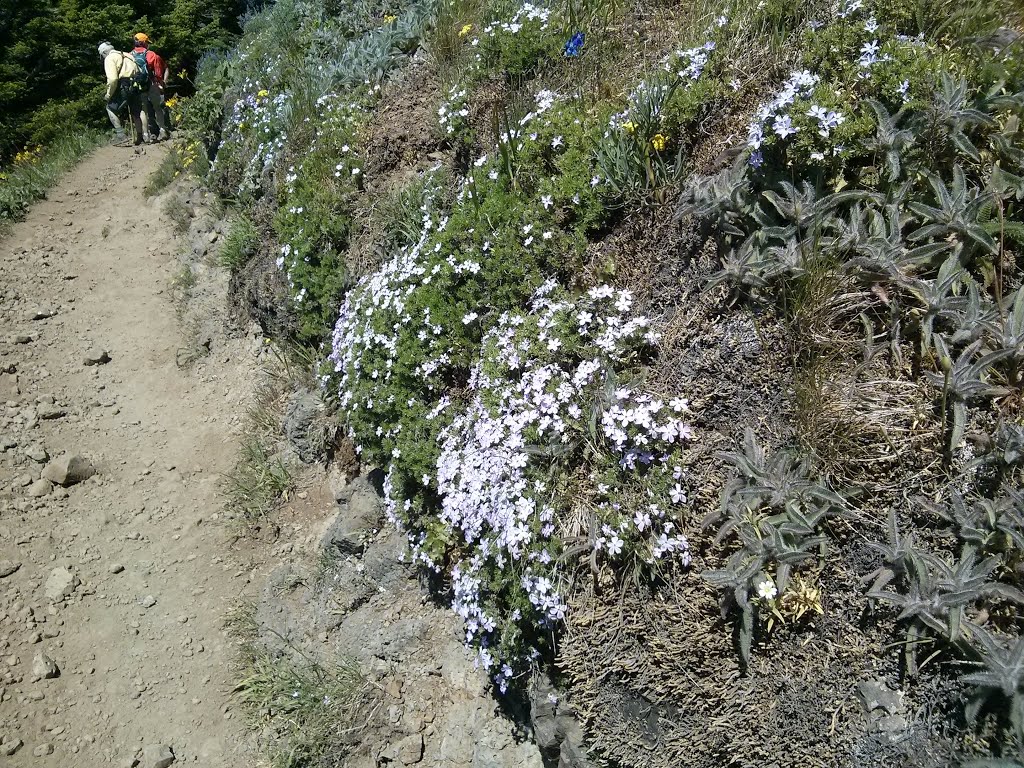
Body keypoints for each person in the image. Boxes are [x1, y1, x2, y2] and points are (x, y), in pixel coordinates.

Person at [98, 42, 151, 145]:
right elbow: (139, 70)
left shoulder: (110, 58)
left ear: (104, 52)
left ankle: (120, 135)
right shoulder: (127, 55)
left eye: (102, 56)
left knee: (110, 108)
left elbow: (113, 79)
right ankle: (142, 136)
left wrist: (109, 94)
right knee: (137, 111)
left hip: (124, 85)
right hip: (136, 85)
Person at [131, 33, 171, 141]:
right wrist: (161, 85)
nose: (148, 44)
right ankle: (162, 130)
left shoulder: (130, 55)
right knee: (157, 108)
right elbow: (158, 74)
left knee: (143, 110)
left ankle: (145, 135)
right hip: (152, 84)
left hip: (139, 86)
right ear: (143, 43)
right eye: (147, 42)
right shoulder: (152, 55)